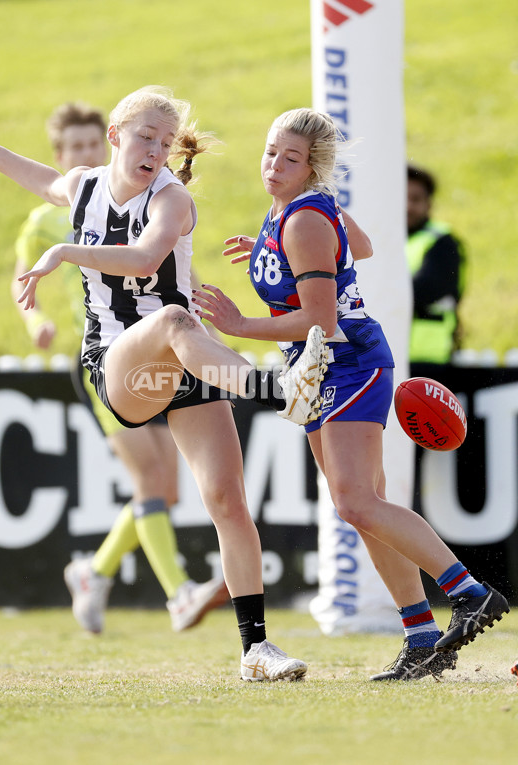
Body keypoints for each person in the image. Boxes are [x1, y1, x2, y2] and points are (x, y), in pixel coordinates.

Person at [0, 86, 324, 681]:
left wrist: (66, 250)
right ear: (116, 135)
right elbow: (38, 178)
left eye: (165, 143)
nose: (156, 151)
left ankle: (256, 651)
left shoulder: (173, 200)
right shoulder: (83, 186)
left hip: (189, 364)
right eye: (145, 137)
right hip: (121, 363)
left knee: (227, 501)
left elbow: (143, 258)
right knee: (169, 320)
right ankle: (280, 395)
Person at [190, 107, 509, 681]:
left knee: (357, 503)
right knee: (363, 508)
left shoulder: (302, 219)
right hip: (321, 366)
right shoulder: (294, 212)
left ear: (313, 167)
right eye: (270, 152)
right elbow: (357, 246)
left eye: (291, 159)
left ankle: (469, 593)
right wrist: (282, 252)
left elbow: (319, 313)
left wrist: (238, 325)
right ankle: (421, 637)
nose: (274, 165)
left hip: (345, 361)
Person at [11, 101, 228, 634]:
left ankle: (95, 571)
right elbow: (21, 284)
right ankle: (178, 593)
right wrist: (33, 323)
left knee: (166, 489)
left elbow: (171, 263)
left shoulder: (145, 198)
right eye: (76, 149)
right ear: (63, 156)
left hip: (159, 349)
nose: (86, 156)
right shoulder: (49, 217)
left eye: (91, 145)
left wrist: (204, 320)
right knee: (153, 478)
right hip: (105, 359)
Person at [406, 163, 466, 364]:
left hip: (429, 359)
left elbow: (429, 288)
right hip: (385, 352)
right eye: (403, 198)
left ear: (429, 204)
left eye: (416, 199)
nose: (408, 206)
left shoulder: (443, 241)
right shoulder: (380, 238)